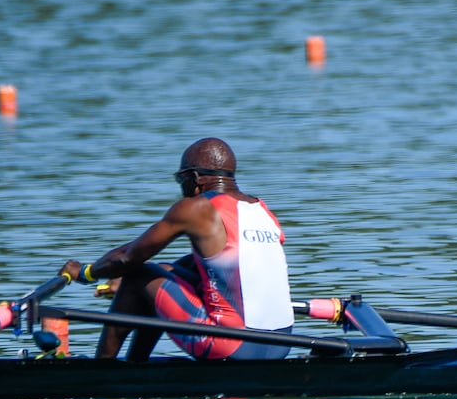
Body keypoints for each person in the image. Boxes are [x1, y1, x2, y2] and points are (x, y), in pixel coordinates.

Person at [60, 138, 294, 361]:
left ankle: (104, 370)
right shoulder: (262, 210)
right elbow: (203, 265)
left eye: (179, 179)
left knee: (138, 275)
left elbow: (127, 258)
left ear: (194, 178)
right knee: (158, 271)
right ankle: (135, 365)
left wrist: (86, 272)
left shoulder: (197, 208)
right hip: (281, 345)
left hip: (231, 346)